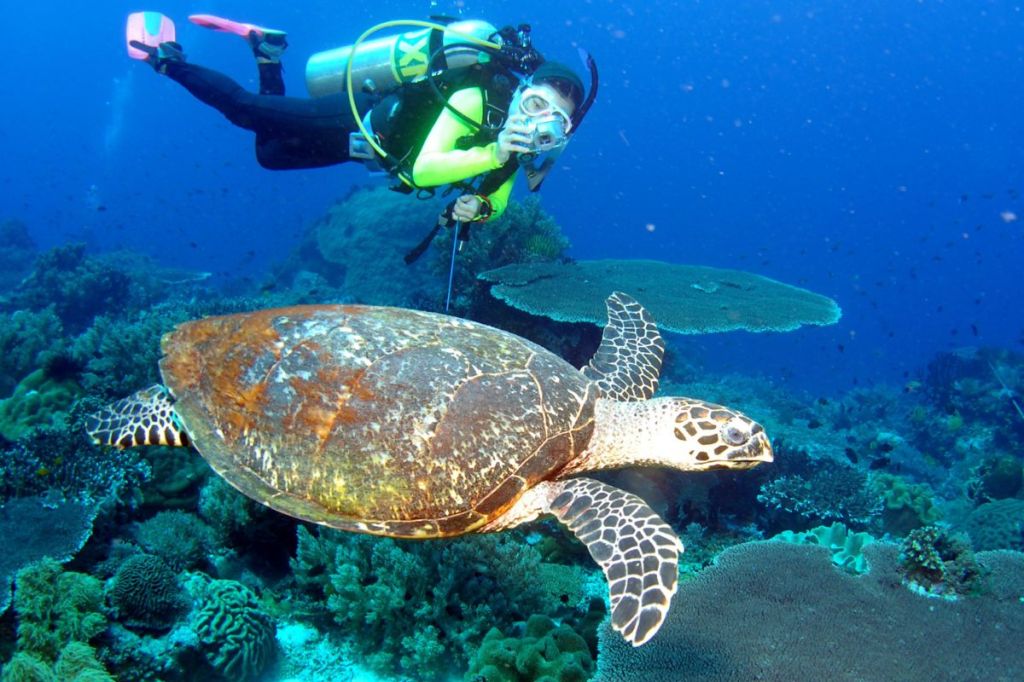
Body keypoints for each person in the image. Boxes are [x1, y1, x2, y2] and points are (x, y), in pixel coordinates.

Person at [129, 14, 590, 225]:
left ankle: (267, 53)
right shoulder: (475, 97)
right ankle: (166, 59)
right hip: (357, 118)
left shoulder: (522, 147)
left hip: (369, 149)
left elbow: (500, 194)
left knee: (269, 154)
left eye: (556, 121)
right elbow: (423, 168)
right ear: (520, 93)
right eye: (534, 105)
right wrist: (494, 150)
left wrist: (481, 208)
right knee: (246, 111)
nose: (538, 123)